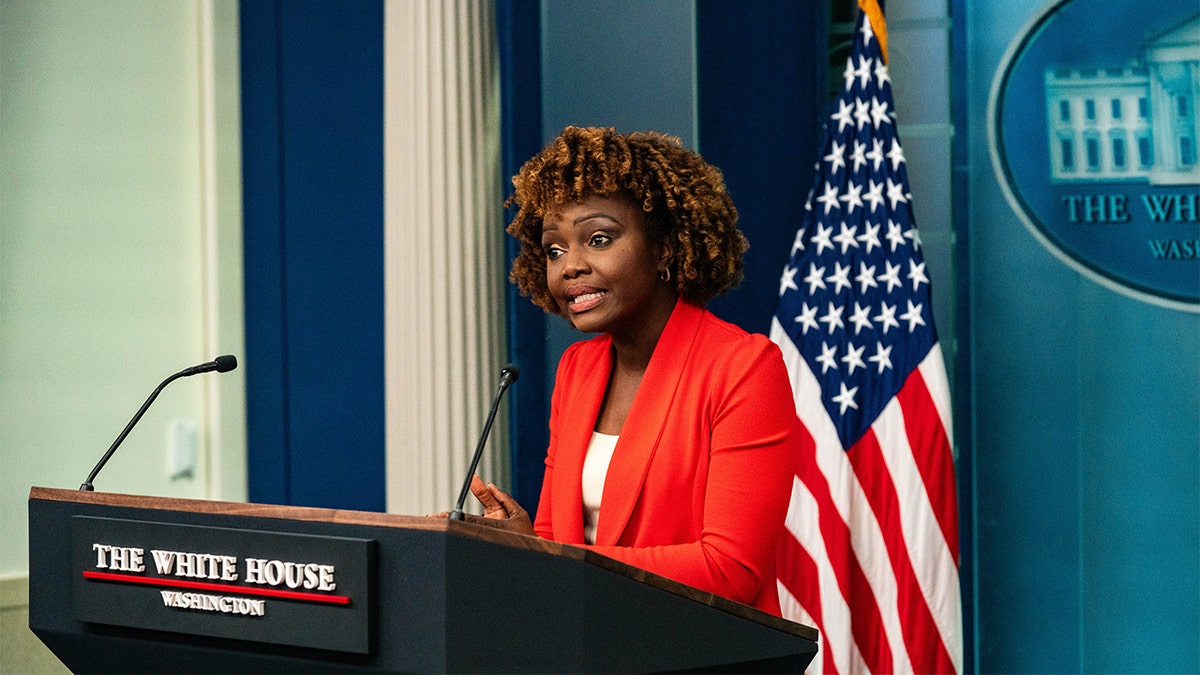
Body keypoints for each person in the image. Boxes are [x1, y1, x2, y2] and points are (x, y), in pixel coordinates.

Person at [467, 125, 811, 617]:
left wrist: (559, 561)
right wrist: (527, 544)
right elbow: (556, 537)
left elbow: (730, 569)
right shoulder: (577, 370)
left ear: (665, 247)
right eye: (554, 250)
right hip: (588, 647)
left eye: (599, 239)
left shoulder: (741, 367)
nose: (570, 267)